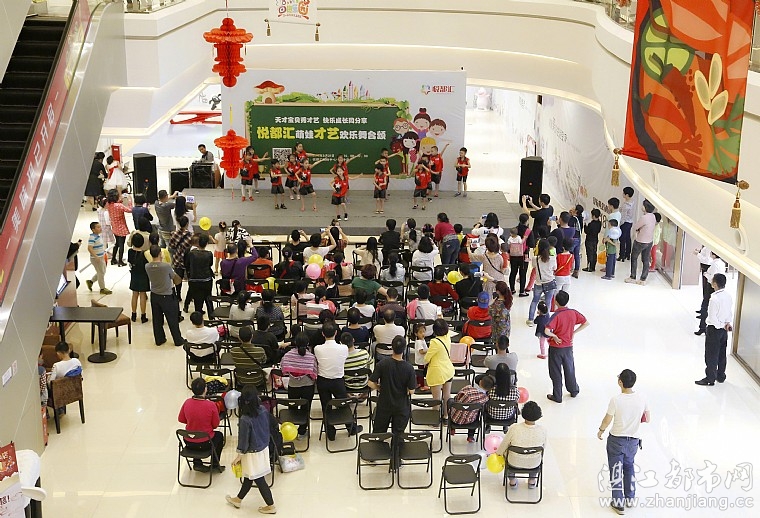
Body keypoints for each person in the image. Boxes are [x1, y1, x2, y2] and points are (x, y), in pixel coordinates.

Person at [597, 369, 650, 514]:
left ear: (620, 382)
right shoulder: (642, 398)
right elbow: (647, 418)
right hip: (633, 441)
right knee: (629, 467)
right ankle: (630, 498)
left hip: (616, 440)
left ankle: (618, 503)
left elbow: (607, 419)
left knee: (616, 470)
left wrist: (601, 430)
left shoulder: (616, 400)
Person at [226, 386, 276, 514]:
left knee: (258, 479)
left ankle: (270, 505)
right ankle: (238, 499)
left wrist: (239, 456)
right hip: (263, 448)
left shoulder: (245, 419)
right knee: (250, 476)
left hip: (252, 453)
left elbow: (243, 441)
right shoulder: (263, 410)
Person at [314, 321, 362, 440]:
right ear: (336, 333)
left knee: (326, 406)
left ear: (323, 334)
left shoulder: (317, 348)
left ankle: (330, 433)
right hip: (338, 381)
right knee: (343, 404)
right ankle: (351, 428)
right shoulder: (344, 348)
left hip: (323, 381)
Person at [543, 291, 588, 403]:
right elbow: (586, 323)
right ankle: (573, 390)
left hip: (556, 348)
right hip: (568, 347)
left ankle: (557, 396)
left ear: (556, 302)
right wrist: (574, 332)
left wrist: (554, 336)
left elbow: (546, 331)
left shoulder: (556, 315)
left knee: (555, 372)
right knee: (569, 369)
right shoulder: (573, 313)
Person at [368, 336, 417, 435]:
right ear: (404, 349)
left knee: (379, 433)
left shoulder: (382, 364)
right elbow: (412, 391)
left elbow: (370, 383)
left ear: (392, 347)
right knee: (398, 434)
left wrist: (379, 388)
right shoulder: (409, 368)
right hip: (401, 406)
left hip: (384, 404)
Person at [495, 401, 546, 488]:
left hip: (514, 462)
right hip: (534, 464)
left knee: (506, 453)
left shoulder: (514, 428)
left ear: (523, 413)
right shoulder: (543, 430)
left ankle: (512, 481)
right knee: (535, 455)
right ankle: (532, 481)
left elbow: (504, 445)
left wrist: (498, 453)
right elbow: (543, 448)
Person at [178, 378, 224, 473]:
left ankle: (197, 463)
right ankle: (215, 465)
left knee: (194, 435)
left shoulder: (187, 402)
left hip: (189, 442)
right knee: (219, 436)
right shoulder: (211, 405)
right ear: (205, 389)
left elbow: (181, 419)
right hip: (206, 443)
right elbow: (215, 425)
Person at [695, 273, 733, 386]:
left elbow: (712, 317)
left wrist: (720, 324)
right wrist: (726, 323)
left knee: (711, 354)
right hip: (724, 330)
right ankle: (720, 375)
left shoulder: (714, 299)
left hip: (714, 330)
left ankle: (710, 378)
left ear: (715, 284)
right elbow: (729, 312)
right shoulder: (728, 296)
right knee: (722, 353)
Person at [145, 245, 185, 346]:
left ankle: (159, 339)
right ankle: (177, 340)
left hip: (154, 295)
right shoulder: (166, 266)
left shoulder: (147, 266)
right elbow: (176, 279)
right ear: (160, 253)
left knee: (157, 319)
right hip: (167, 295)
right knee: (172, 319)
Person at [280, 332, 317, 438]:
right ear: (307, 343)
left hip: (293, 386)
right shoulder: (311, 357)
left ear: (295, 343)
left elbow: (283, 369)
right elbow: (314, 373)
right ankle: (302, 431)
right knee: (306, 408)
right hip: (308, 387)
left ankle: (290, 431)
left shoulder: (288, 355)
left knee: (292, 408)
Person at [424, 319, 455, 418]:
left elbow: (426, 358)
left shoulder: (435, 342)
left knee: (436, 399)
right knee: (447, 396)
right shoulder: (448, 337)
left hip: (437, 372)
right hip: (448, 369)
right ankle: (446, 416)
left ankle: (435, 420)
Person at [451, 373, 493, 442]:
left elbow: (456, 398)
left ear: (480, 382)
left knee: (451, 402)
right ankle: (470, 436)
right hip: (470, 421)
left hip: (454, 418)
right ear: (490, 389)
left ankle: (452, 428)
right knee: (477, 413)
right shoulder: (485, 398)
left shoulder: (467, 388)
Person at [626, 200, 656, 286]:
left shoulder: (644, 218)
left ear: (645, 207)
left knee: (634, 258)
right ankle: (643, 279)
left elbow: (636, 226)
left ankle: (633, 277)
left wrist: (638, 230)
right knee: (646, 260)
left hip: (640, 241)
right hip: (649, 241)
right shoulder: (653, 216)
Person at [696, 251, 727, 335]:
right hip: (719, 287)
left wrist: (706, 274)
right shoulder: (722, 263)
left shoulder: (714, 264)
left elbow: (712, 277)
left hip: (711, 287)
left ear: (714, 255)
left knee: (705, 305)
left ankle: (702, 327)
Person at [527, 239, 557, 325]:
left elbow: (534, 267)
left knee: (534, 301)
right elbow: (555, 268)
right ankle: (546, 320)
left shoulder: (535, 259)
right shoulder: (552, 258)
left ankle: (530, 320)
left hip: (539, 283)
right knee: (548, 302)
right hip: (550, 282)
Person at [184, 233, 214, 316]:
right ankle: (211, 317)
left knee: (197, 300)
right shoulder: (209, 254)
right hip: (206, 279)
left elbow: (187, 264)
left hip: (194, 279)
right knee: (208, 298)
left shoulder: (191, 253)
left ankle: (198, 315)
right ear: (206, 244)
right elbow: (210, 264)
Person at [169, 215, 193, 301]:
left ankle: (178, 295)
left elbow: (171, 246)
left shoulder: (174, 234)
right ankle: (190, 296)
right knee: (190, 278)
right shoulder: (190, 236)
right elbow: (190, 246)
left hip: (177, 259)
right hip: (187, 260)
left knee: (178, 278)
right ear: (187, 224)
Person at [105, 189, 132, 266]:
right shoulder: (119, 206)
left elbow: (116, 205)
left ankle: (113, 259)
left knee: (117, 243)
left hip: (114, 227)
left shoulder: (108, 204)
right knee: (121, 245)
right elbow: (130, 210)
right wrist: (130, 201)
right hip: (121, 227)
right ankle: (120, 261)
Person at [127, 233, 149, 323]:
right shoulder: (145, 254)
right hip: (143, 275)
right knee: (143, 295)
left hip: (134, 275)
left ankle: (133, 314)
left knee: (134, 294)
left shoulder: (130, 252)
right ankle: (143, 315)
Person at [86, 222, 112, 295]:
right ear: (93, 230)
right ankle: (102, 288)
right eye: (98, 227)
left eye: (100, 226)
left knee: (102, 271)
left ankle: (90, 281)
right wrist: (96, 256)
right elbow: (89, 248)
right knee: (101, 273)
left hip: (101, 257)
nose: (100, 228)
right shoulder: (92, 238)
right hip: (96, 259)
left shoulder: (98, 236)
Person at [619, 187, 635, 262]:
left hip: (625, 223)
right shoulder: (632, 202)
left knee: (622, 239)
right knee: (628, 238)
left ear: (627, 195)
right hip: (630, 222)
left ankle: (622, 255)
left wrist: (620, 224)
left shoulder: (626, 205)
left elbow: (623, 216)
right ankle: (628, 254)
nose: (622, 194)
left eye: (623, 193)